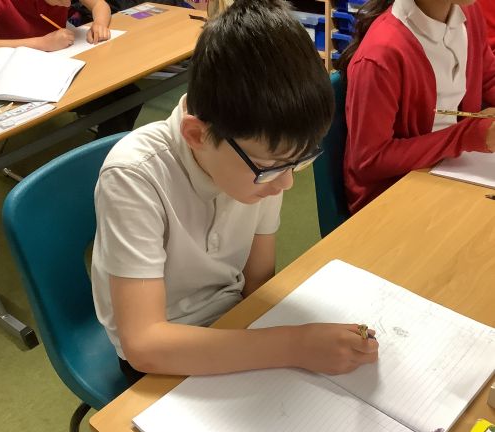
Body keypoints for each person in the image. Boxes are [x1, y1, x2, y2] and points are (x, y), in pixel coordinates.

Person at [91, 0, 379, 385]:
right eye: (272, 166)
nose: (285, 184)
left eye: (297, 162)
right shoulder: (134, 176)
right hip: (164, 351)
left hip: (232, 319)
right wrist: (294, 345)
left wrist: (287, 339)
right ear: (197, 135)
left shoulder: (260, 161)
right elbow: (144, 345)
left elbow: (257, 281)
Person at [336, 0, 495, 213]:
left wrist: (466, 138)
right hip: (392, 194)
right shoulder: (381, 54)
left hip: (451, 168)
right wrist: (466, 136)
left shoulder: (467, 13)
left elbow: (488, 77)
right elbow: (369, 161)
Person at [0, 0, 141, 138]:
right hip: (16, 73)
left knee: (132, 96)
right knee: (113, 108)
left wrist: (99, 24)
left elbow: (99, 4)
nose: (68, 4)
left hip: (59, 62)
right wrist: (42, 43)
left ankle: (109, 150)